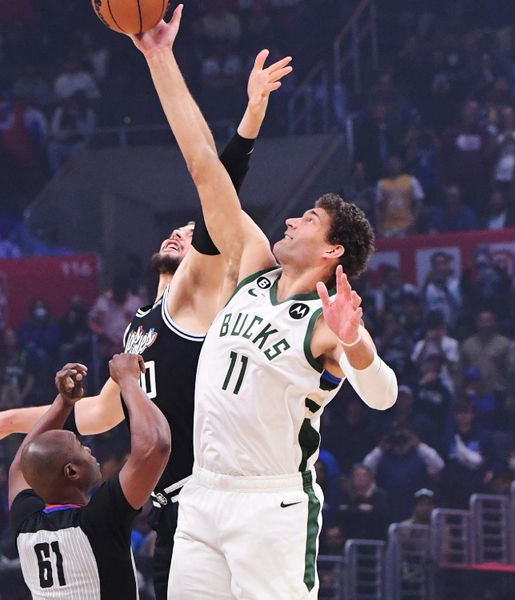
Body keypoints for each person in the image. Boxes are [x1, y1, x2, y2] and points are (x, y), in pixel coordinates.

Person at [0, 50, 290, 600]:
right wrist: (3, 422)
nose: (181, 234)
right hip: (174, 514)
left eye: (190, 231)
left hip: (222, 498)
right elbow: (99, 412)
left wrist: (247, 116)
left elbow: (212, 185)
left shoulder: (199, 295)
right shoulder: (140, 328)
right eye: (172, 230)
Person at [131, 8, 397, 598]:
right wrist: (159, 58)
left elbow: (383, 396)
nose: (290, 219)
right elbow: (205, 169)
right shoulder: (250, 266)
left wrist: (354, 342)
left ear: (333, 251)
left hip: (270, 503)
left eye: (308, 219)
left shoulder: (332, 324)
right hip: (203, 493)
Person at [9, 356, 170, 599]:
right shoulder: (99, 519)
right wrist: (128, 382)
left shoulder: (26, 524)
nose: (89, 449)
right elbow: (155, 446)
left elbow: (22, 466)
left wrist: (63, 404)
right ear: (72, 471)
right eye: (80, 445)